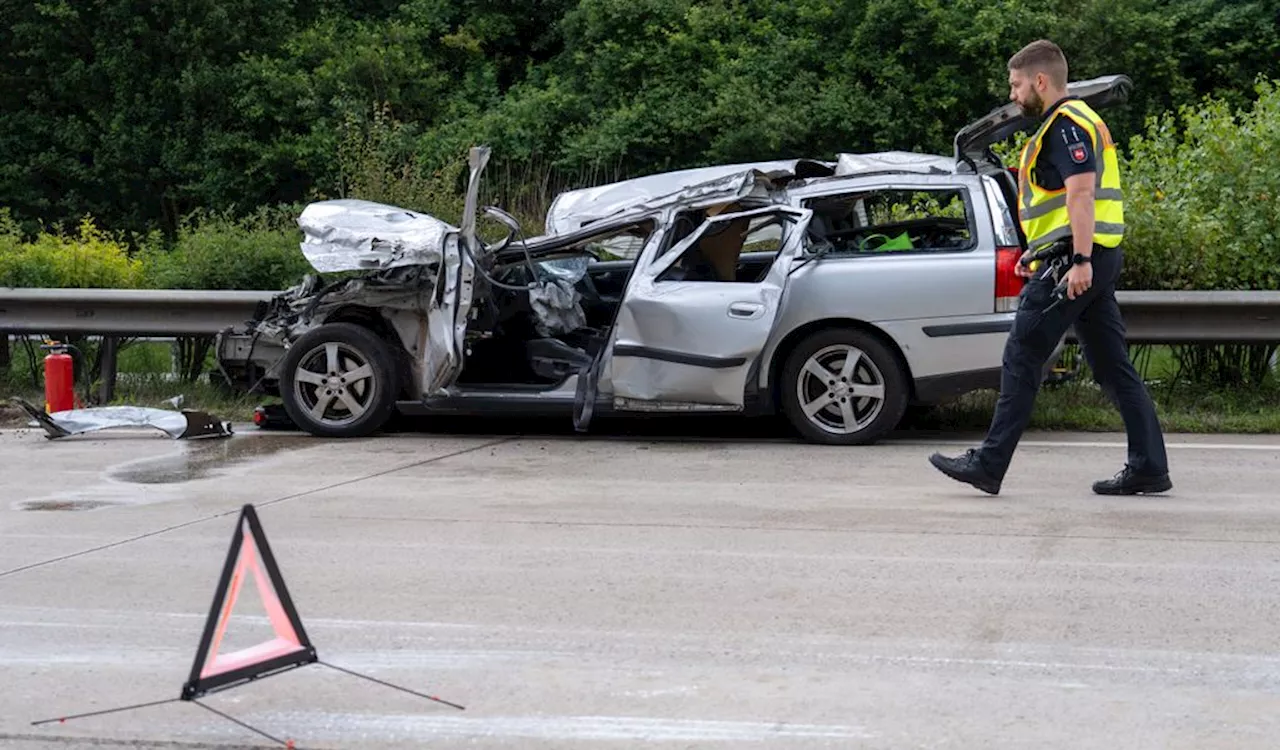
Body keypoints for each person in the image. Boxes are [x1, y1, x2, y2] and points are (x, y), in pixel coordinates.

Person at [928, 39, 1171, 496]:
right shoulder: (1079, 121)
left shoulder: (1066, 126)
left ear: (1041, 81)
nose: (1014, 96)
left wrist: (1077, 260)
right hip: (1082, 256)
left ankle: (989, 463)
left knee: (1021, 356)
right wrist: (1038, 250)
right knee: (1112, 366)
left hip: (1077, 261)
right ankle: (1149, 466)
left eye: (1016, 85)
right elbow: (1061, 205)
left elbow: (1081, 194)